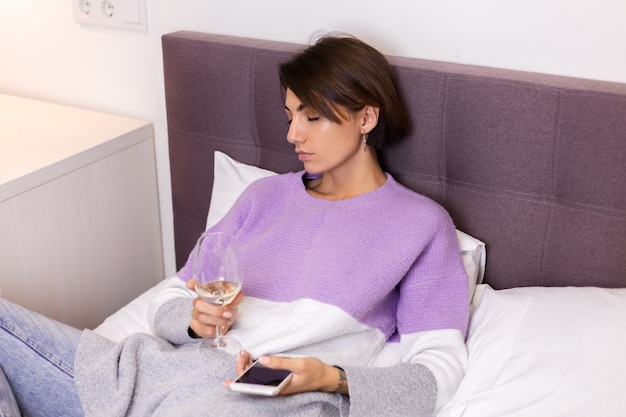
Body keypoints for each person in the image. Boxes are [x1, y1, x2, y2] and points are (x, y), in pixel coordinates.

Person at [0, 33, 468, 417]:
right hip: (151, 374)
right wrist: (194, 321)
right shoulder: (262, 197)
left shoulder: (420, 226)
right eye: (290, 115)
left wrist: (331, 378)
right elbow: (174, 295)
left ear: (367, 116)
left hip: (264, 400)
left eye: (313, 116)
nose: (292, 134)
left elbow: (439, 370)